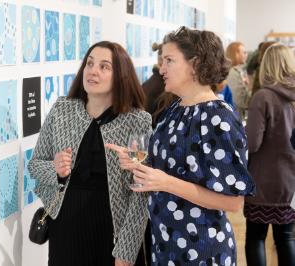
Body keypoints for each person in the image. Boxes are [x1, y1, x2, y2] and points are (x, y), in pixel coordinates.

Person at [106, 26, 255, 265]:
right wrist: (138, 161)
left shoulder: (219, 118)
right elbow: (172, 168)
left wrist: (166, 183)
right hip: (166, 245)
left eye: (169, 61)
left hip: (202, 250)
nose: (161, 68)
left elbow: (234, 202)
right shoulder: (174, 110)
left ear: (194, 64)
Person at [28, 41, 152, 266]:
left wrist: (126, 249)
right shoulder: (62, 110)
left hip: (113, 232)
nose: (93, 71)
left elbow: (141, 191)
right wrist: (54, 169)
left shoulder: (138, 121)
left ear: (120, 76)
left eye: (104, 66)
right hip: (65, 229)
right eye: (90, 63)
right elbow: (35, 164)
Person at [244, 43, 295, 266]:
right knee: (287, 238)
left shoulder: (263, 97)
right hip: (291, 185)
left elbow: (252, 144)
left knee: (256, 238)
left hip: (263, 185)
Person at [226, 41, 251, 121]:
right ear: (236, 54)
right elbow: (241, 101)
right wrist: (250, 87)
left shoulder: (239, 71)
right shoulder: (233, 73)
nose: (246, 55)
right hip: (234, 118)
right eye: (243, 52)